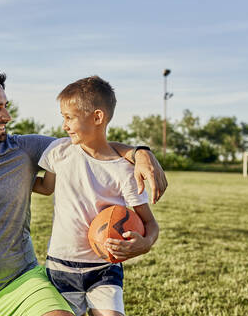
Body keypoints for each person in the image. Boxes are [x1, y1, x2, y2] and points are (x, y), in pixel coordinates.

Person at [0, 70, 167, 316]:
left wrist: (140, 152)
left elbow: (90, 145)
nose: (7, 116)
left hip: (23, 286)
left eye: (6, 106)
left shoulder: (23, 148)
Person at [32, 76, 160, 316]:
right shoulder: (59, 152)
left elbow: (150, 223)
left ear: (97, 117)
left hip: (104, 268)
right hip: (60, 266)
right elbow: (46, 187)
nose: (64, 126)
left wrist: (145, 244)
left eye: (69, 118)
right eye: (63, 118)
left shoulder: (124, 170)